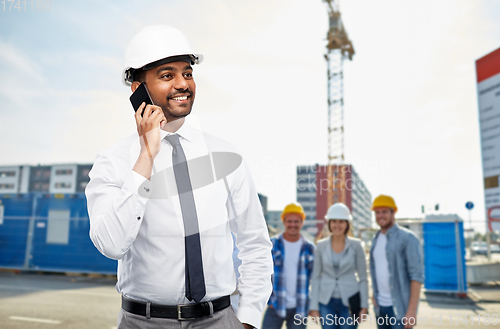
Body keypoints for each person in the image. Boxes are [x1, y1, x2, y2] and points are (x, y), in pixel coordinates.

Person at [85, 25, 273, 329]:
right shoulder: (114, 161)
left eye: (187, 73)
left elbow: (254, 243)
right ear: (138, 90)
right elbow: (110, 244)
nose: (182, 84)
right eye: (167, 75)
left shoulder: (226, 157)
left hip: (220, 320)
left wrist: (249, 318)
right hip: (143, 322)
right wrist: (146, 155)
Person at [309, 203, 368, 329]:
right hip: (326, 302)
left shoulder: (357, 246)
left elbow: (363, 278)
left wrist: (364, 306)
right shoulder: (320, 246)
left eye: (341, 221)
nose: (337, 225)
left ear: (347, 224)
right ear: (329, 223)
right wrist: (313, 307)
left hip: (351, 301)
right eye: (334, 221)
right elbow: (316, 277)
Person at [369, 195, 424, 329]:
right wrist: (374, 294)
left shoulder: (407, 238)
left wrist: (411, 311)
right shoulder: (375, 239)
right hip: (381, 308)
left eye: (384, 212)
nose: (380, 216)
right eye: (377, 212)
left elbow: (416, 275)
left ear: (393, 212)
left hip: (400, 310)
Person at [262, 203, 315, 329]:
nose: (293, 225)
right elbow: (263, 274)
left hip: (299, 308)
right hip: (275, 305)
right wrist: (269, 300)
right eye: (289, 221)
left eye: (296, 221)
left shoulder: (309, 248)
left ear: (302, 222)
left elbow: (315, 278)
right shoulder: (272, 245)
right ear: (284, 221)